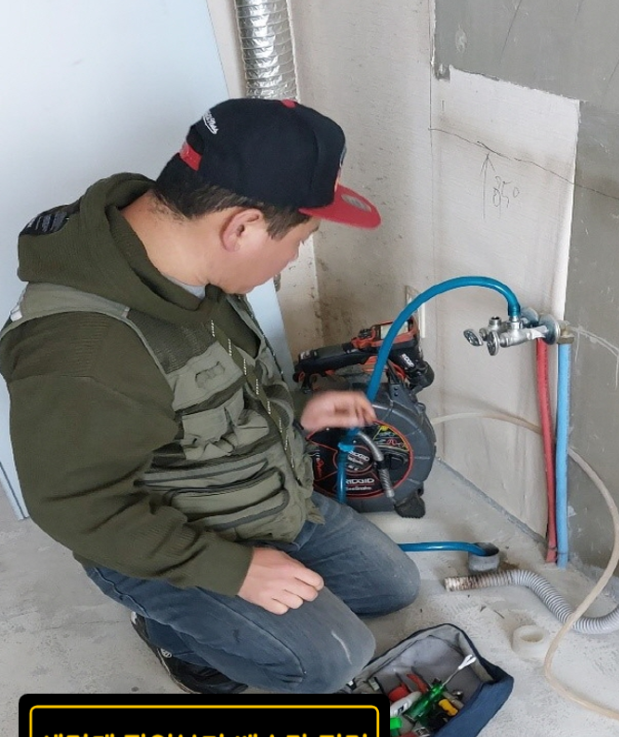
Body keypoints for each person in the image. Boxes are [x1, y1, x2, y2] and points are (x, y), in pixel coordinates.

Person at [0, 98, 420, 694]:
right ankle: (171, 634)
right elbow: (79, 509)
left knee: (391, 587)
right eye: (301, 240)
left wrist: (298, 410)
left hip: (256, 495)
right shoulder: (83, 350)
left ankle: (250, 598)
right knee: (332, 660)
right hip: (161, 542)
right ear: (242, 228)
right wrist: (236, 570)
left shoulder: (186, 255)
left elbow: (223, 379)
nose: (292, 258)